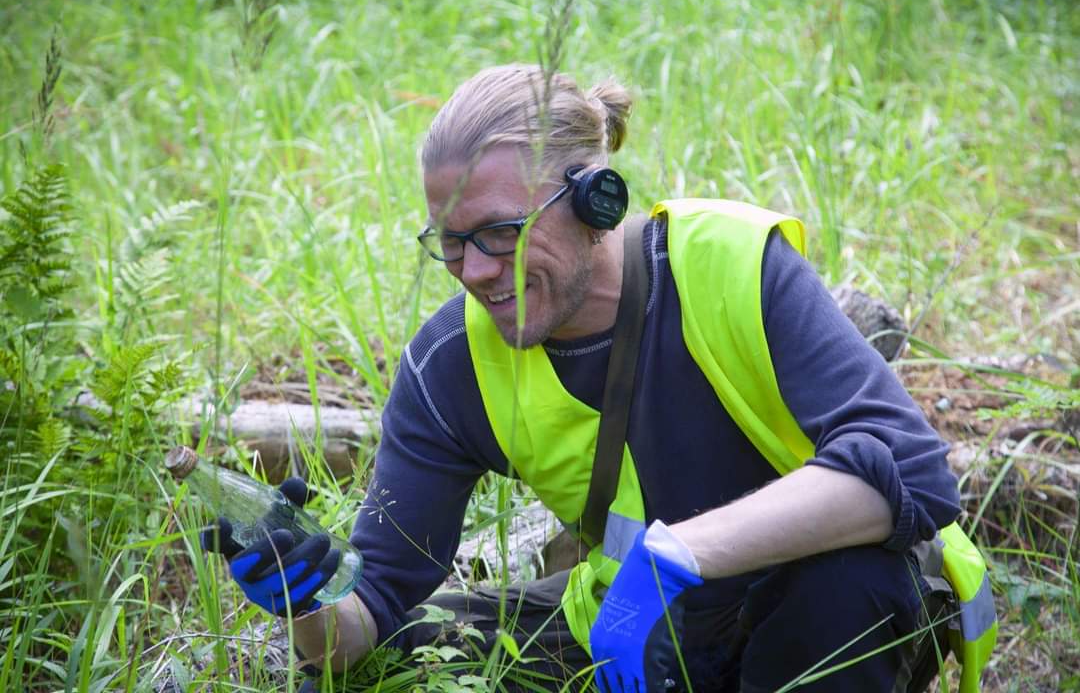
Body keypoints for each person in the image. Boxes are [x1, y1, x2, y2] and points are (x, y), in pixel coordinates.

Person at [202, 64, 995, 692]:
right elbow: (364, 622)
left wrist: (674, 555)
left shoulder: (728, 264)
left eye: (501, 233)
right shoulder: (450, 365)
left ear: (596, 200)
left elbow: (915, 474)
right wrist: (306, 597)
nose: (476, 271)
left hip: (802, 600)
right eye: (449, 244)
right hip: (631, 628)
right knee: (401, 657)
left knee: (847, 587)